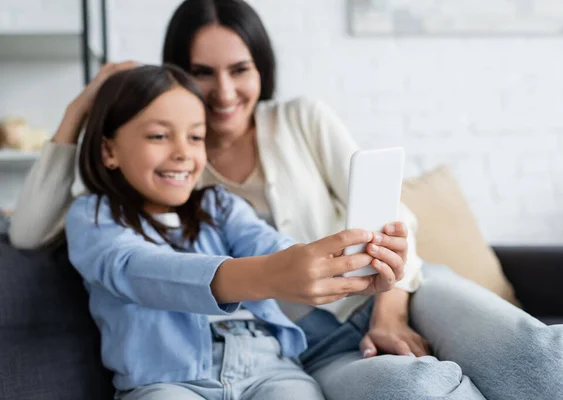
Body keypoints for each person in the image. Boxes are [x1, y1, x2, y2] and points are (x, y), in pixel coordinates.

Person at [10, 0, 563, 399]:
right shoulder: (162, 179)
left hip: (399, 291)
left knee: (550, 363)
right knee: (420, 389)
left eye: (239, 69)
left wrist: (386, 299)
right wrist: (84, 108)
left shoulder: (293, 126)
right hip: (307, 352)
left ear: (260, 67)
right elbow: (40, 232)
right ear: (177, 76)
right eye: (201, 73)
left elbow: (369, 220)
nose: (223, 93)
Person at [66, 64, 404, 399]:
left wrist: (341, 263)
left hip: (268, 365)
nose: (183, 152)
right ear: (109, 150)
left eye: (196, 137)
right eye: (159, 135)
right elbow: (138, 270)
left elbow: (270, 245)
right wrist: (270, 274)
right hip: (168, 379)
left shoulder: (218, 205)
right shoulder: (93, 216)